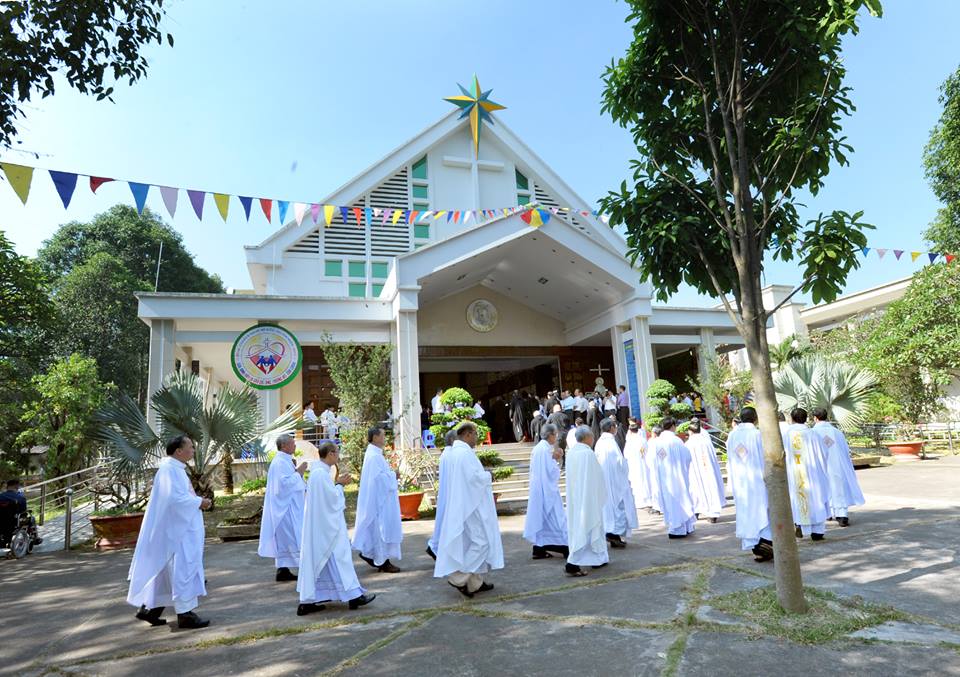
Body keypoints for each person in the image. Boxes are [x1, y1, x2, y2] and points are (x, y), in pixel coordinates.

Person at [127, 436, 211, 629]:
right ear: (178, 451)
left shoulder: (174, 469)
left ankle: (150, 610)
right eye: (190, 447)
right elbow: (175, 500)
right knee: (182, 569)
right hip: (178, 532)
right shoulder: (169, 470)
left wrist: (196, 501)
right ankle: (185, 614)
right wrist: (200, 502)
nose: (193, 451)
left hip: (178, 529)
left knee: (165, 572)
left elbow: (179, 497)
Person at [297, 442, 376, 615]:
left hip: (323, 527)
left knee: (328, 562)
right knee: (340, 559)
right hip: (327, 529)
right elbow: (332, 501)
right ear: (331, 454)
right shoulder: (320, 475)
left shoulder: (319, 474)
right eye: (337, 453)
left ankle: (310, 601)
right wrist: (339, 485)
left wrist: (337, 485)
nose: (338, 456)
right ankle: (354, 596)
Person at [433, 422, 504, 598]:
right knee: (482, 542)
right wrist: (489, 475)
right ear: (467, 434)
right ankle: (459, 577)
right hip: (471, 507)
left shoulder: (457, 452)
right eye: (475, 434)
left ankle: (474, 583)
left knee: (473, 542)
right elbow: (473, 479)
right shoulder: (463, 453)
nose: (477, 438)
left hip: (465, 504)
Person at [725, 407, 773, 561]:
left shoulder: (732, 436)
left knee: (747, 513)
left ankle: (757, 547)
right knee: (761, 511)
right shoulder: (757, 434)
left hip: (741, 482)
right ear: (756, 419)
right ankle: (762, 545)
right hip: (757, 480)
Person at [258, 434, 307, 582]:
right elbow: (283, 486)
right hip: (285, 510)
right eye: (293, 443)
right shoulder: (280, 462)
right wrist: (299, 472)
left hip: (288, 507)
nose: (295, 446)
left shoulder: (284, 460)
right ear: (284, 446)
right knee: (293, 539)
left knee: (287, 540)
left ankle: (283, 570)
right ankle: (305, 571)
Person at [353, 427, 403, 573]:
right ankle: (382, 561)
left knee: (379, 530)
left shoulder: (375, 454)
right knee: (380, 530)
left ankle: (373, 555)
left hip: (381, 499)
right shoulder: (374, 456)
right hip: (378, 502)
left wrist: (390, 474)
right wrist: (393, 475)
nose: (384, 437)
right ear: (375, 437)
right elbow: (378, 480)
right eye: (382, 435)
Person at [565, 426, 608, 576]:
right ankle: (573, 562)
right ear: (587, 438)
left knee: (580, 527)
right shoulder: (587, 454)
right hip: (588, 497)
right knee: (588, 526)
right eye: (592, 437)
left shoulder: (571, 453)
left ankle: (597, 557)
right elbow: (596, 476)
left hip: (576, 497)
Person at [782, 408, 830, 541]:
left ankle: (801, 526)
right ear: (806, 418)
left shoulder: (786, 435)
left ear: (791, 419)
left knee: (798, 498)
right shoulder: (812, 434)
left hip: (794, 472)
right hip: (812, 473)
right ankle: (818, 531)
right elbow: (823, 454)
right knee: (815, 498)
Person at [523, 424, 569, 560]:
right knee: (558, 519)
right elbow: (551, 472)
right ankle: (564, 547)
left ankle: (539, 548)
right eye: (555, 434)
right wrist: (556, 459)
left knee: (544, 519)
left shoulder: (539, 448)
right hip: (547, 490)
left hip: (540, 489)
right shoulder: (545, 450)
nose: (556, 437)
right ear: (550, 435)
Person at [811, 408, 864, 527]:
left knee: (825, 487)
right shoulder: (837, 432)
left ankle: (828, 513)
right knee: (838, 487)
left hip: (821, 464)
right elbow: (845, 450)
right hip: (838, 465)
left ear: (815, 418)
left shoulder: (813, 432)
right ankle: (841, 514)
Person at [594, 418, 638, 548]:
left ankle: (612, 534)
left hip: (604, 481)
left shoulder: (599, 443)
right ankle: (613, 534)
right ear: (612, 428)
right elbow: (620, 463)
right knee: (617, 507)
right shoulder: (611, 443)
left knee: (608, 508)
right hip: (615, 482)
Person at [653, 417, 696, 539]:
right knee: (681, 500)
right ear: (672, 426)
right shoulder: (677, 441)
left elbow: (654, 459)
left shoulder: (658, 442)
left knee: (670, 502)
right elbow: (687, 457)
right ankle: (683, 527)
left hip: (665, 477)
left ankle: (676, 527)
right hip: (678, 477)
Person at [426, 428, 459, 561]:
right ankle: (435, 546)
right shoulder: (451, 454)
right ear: (452, 440)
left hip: (448, 493)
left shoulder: (447, 454)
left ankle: (436, 546)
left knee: (444, 522)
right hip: (451, 493)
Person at [684, 418, 727, 523]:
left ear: (691, 431)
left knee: (695, 490)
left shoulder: (689, 444)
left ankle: (697, 511)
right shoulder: (707, 442)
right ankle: (712, 514)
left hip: (695, 472)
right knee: (710, 489)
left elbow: (685, 459)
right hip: (708, 471)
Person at [622, 419, 651, 511]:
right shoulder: (642, 440)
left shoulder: (629, 442)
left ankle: (639, 501)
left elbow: (625, 454)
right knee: (644, 480)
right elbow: (646, 451)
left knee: (635, 481)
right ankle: (647, 499)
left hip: (633, 463)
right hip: (643, 462)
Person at [645, 425, 663, 513]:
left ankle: (658, 507)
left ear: (655, 434)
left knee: (656, 487)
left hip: (655, 468)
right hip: (657, 468)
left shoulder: (653, 442)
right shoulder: (658, 442)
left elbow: (644, 453)